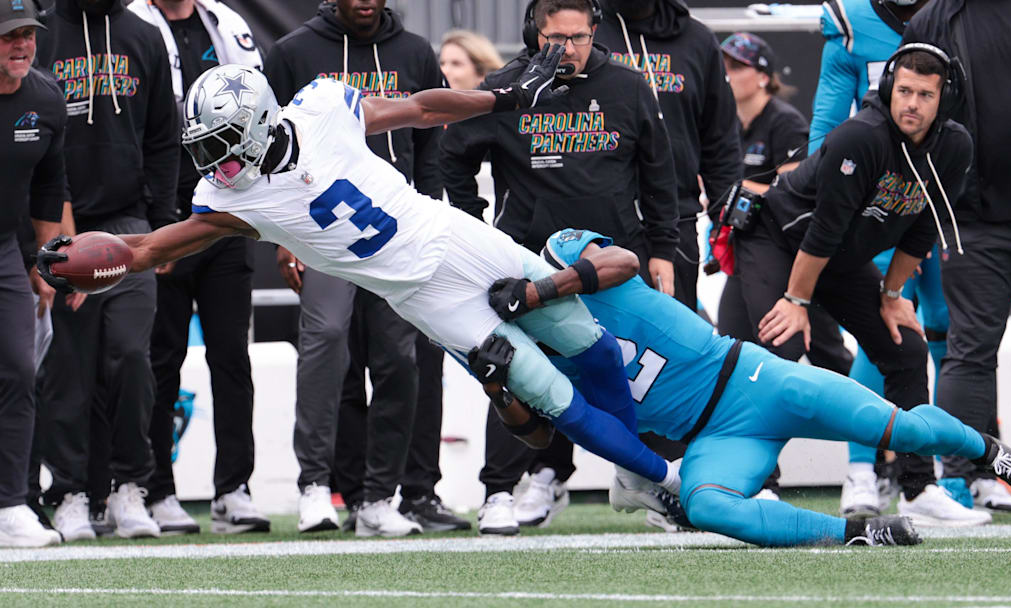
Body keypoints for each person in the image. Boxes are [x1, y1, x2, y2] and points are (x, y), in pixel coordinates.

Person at [39, 57, 684, 533]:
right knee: (547, 392)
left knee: (586, 341)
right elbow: (148, 248)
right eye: (207, 151)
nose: (215, 166)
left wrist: (501, 99)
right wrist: (80, 257)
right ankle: (663, 483)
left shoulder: (321, 108)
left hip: (456, 237)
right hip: (427, 299)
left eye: (223, 148)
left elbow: (421, 108)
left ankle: (631, 472)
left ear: (262, 124)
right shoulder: (231, 200)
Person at [474, 227, 1011, 547]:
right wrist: (500, 392)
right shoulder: (509, 345)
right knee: (706, 506)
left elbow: (623, 261)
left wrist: (540, 293)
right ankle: (856, 533)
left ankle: (988, 451)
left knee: (898, 428)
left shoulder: (557, 254)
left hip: (753, 377)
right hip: (710, 436)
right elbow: (538, 433)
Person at [729, 44, 994, 528]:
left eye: (925, 95)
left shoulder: (954, 146)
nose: (912, 103)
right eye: (905, 91)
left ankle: (917, 487)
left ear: (944, 100)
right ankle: (758, 486)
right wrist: (796, 300)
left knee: (906, 349)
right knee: (779, 347)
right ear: (890, 89)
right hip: (780, 238)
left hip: (839, 255)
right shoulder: (861, 137)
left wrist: (892, 297)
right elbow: (824, 227)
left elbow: (921, 228)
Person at [440, 0, 679, 535]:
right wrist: (474, 230)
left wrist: (665, 248)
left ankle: (652, 485)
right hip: (528, 265)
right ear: (533, 32)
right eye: (555, 38)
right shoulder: (507, 88)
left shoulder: (628, 87)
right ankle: (501, 491)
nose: (566, 49)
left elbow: (660, 173)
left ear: (596, 31)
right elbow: (451, 154)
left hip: (616, 262)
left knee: (644, 379)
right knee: (516, 370)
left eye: (578, 37)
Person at [262, 0, 468, 536]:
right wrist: (283, 236)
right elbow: (267, 146)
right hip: (321, 227)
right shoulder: (293, 52)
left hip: (396, 230)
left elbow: (431, 143)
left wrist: (428, 215)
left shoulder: (415, 52)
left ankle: (379, 499)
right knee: (326, 340)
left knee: (400, 358)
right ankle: (314, 485)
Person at [807, 0, 985, 518]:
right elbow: (826, 123)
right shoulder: (850, 19)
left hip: (938, 193)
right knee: (879, 335)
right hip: (876, 197)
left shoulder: (964, 17)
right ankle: (861, 470)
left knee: (946, 329)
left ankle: (950, 475)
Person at [903, 0, 1011, 521]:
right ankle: (956, 479)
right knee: (970, 350)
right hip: (969, 220)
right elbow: (904, 111)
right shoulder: (932, 18)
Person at [34, 0, 179, 541]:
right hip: (60, 223)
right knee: (69, 371)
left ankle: (128, 487)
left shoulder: (143, 36)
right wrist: (48, 234)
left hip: (129, 229)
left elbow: (165, 139)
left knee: (132, 357)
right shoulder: (43, 35)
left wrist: (162, 229)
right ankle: (71, 492)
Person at [129, 0, 270, 535]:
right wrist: (155, 217)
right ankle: (157, 488)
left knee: (232, 357)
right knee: (160, 358)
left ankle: (234, 489)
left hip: (228, 214)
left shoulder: (226, 22)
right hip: (167, 215)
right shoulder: (136, 25)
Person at [712, 31, 853, 503]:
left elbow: (799, 184)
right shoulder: (723, 122)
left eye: (738, 65)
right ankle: (759, 481)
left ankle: (883, 457)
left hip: (794, 263)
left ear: (765, 76)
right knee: (736, 361)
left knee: (830, 360)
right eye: (724, 65)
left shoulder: (785, 121)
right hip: (743, 260)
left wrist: (745, 189)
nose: (728, 74)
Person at [594, 0, 743, 310]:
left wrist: (724, 224)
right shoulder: (582, 32)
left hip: (676, 223)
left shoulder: (698, 40)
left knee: (673, 342)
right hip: (596, 221)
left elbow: (721, 144)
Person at [0, 1, 64, 548]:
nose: (21, 44)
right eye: (7, 36)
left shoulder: (45, 99)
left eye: (27, 34)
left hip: (5, 250)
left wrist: (45, 263)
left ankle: (9, 507)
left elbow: (48, 186)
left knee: (19, 369)